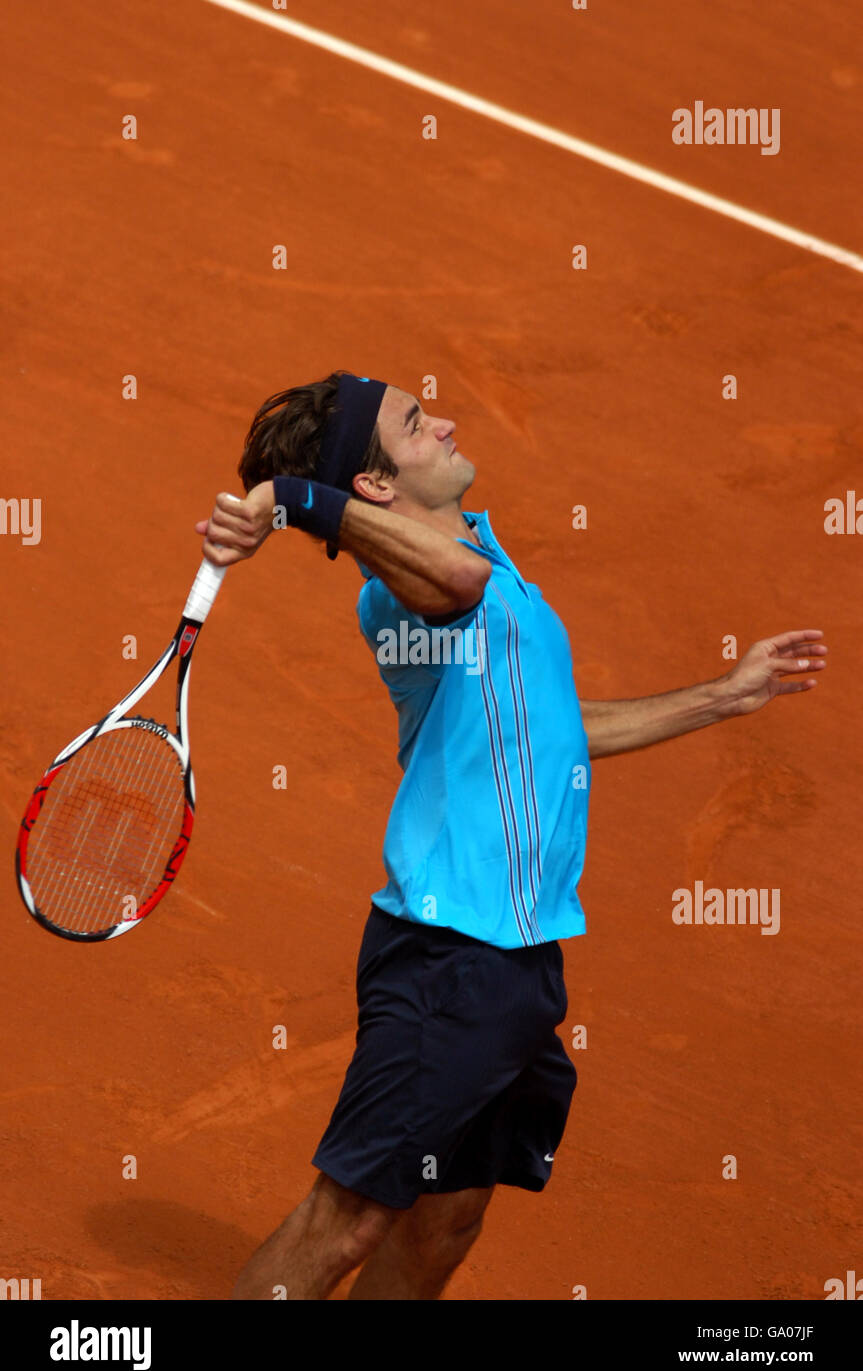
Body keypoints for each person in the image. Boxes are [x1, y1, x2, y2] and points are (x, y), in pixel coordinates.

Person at [196, 370, 826, 1301]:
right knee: (350, 1215)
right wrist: (292, 500)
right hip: (450, 958)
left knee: (446, 1216)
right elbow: (447, 581)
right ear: (370, 487)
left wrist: (720, 697)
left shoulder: (485, 561)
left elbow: (552, 729)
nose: (443, 420)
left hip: (519, 959)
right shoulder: (413, 594)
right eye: (415, 425)